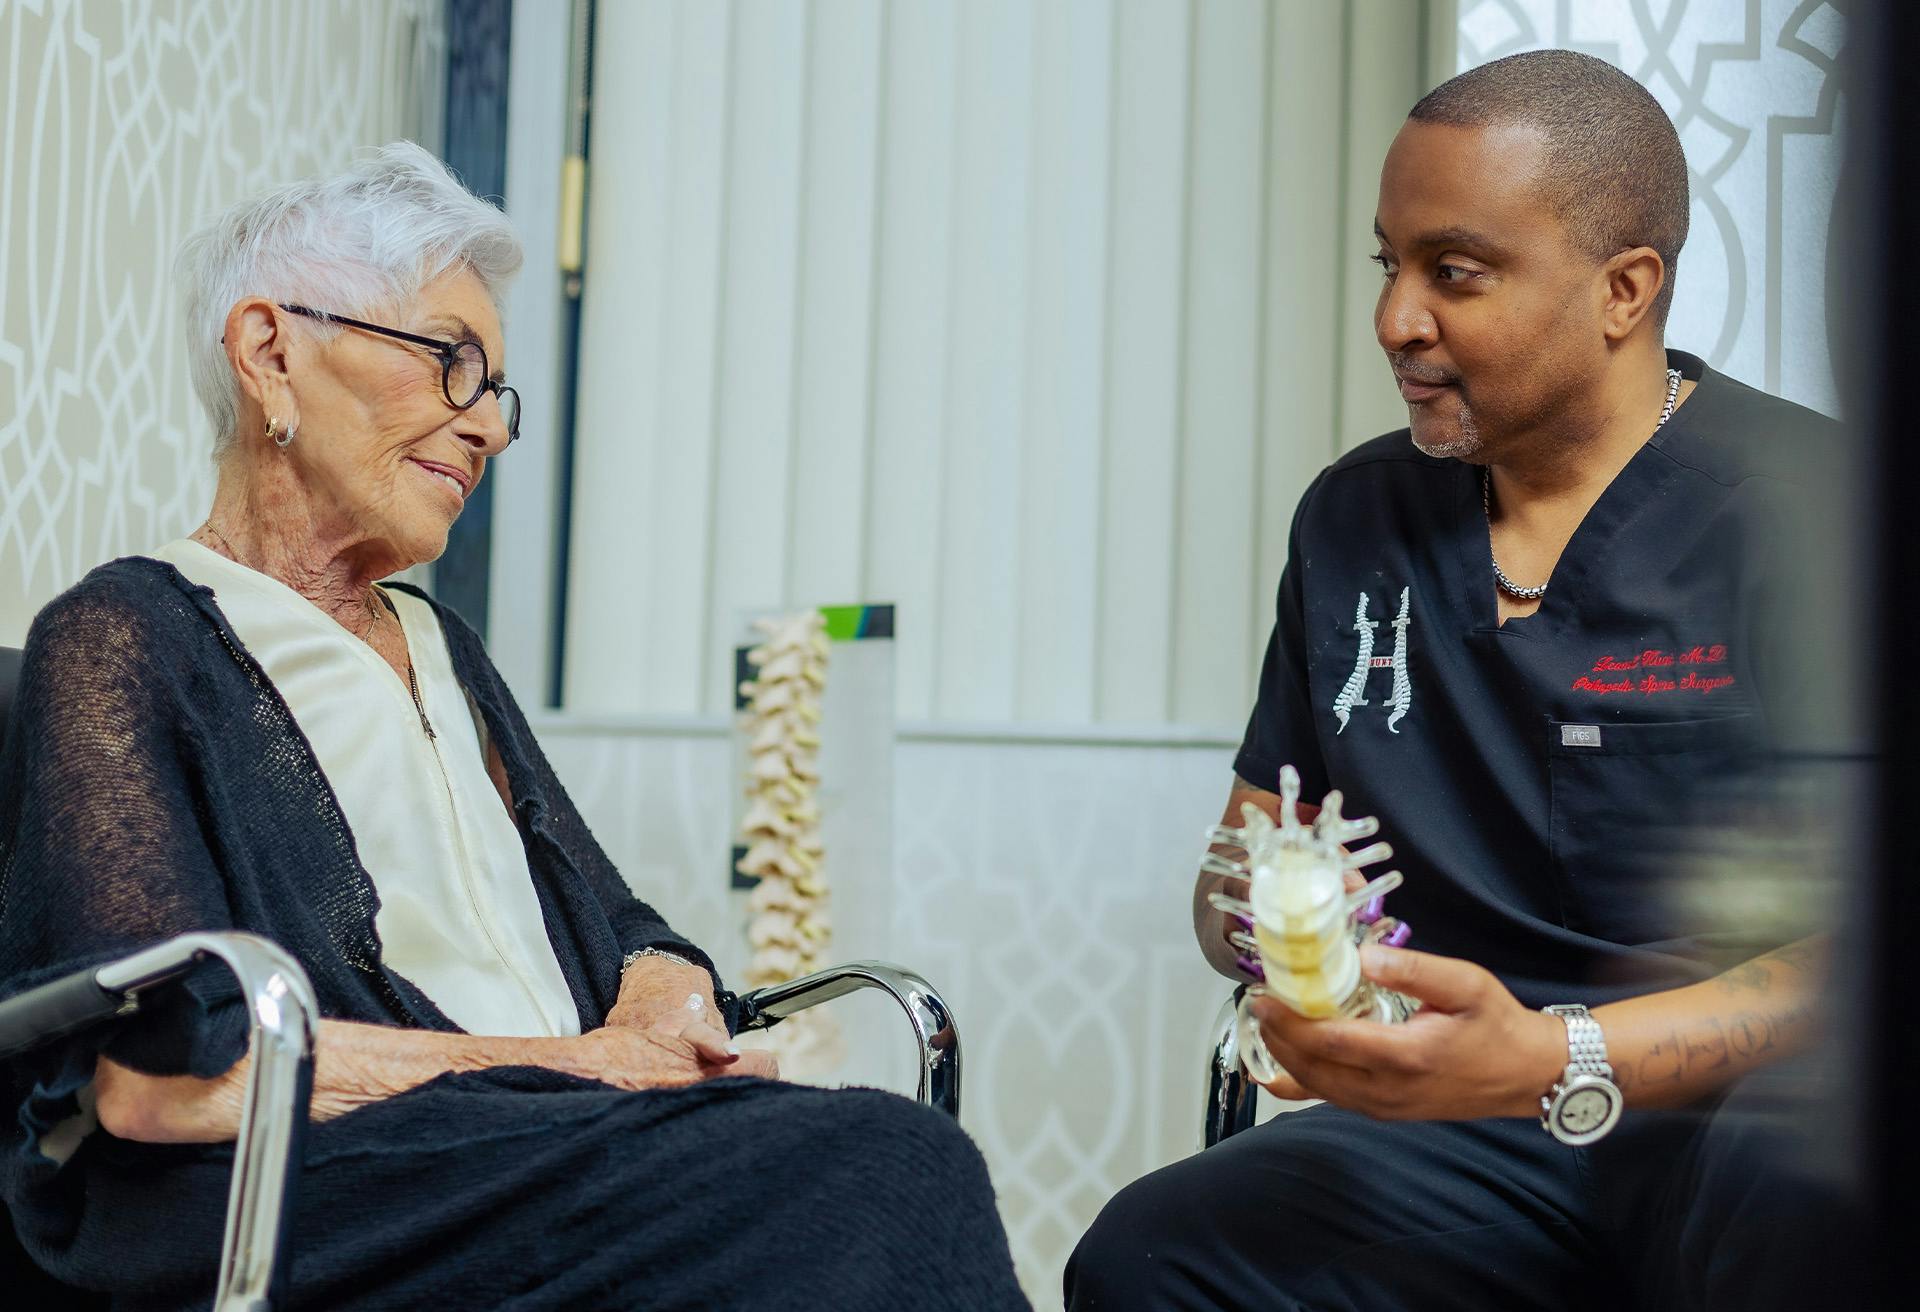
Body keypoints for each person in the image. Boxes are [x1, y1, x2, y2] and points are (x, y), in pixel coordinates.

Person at [0, 143, 1025, 1311]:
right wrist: (582, 1070)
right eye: (452, 363)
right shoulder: (128, 632)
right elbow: (163, 1077)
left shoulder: (445, 649)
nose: (486, 426)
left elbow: (627, 926)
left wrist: (662, 1003)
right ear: (269, 352)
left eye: (494, 389)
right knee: (881, 1169)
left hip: (532, 1148)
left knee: (851, 1169)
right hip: (308, 1186)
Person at [1067, 50, 1858, 1310]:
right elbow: (1241, 874)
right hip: (1464, 1128)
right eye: (1390, 266)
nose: (1396, 319)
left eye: (1457, 272)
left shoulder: (1817, 515)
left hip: (1748, 1121)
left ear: (1623, 289)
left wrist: (1550, 1049)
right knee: (1151, 1255)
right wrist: (1284, 937)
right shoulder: (1356, 519)